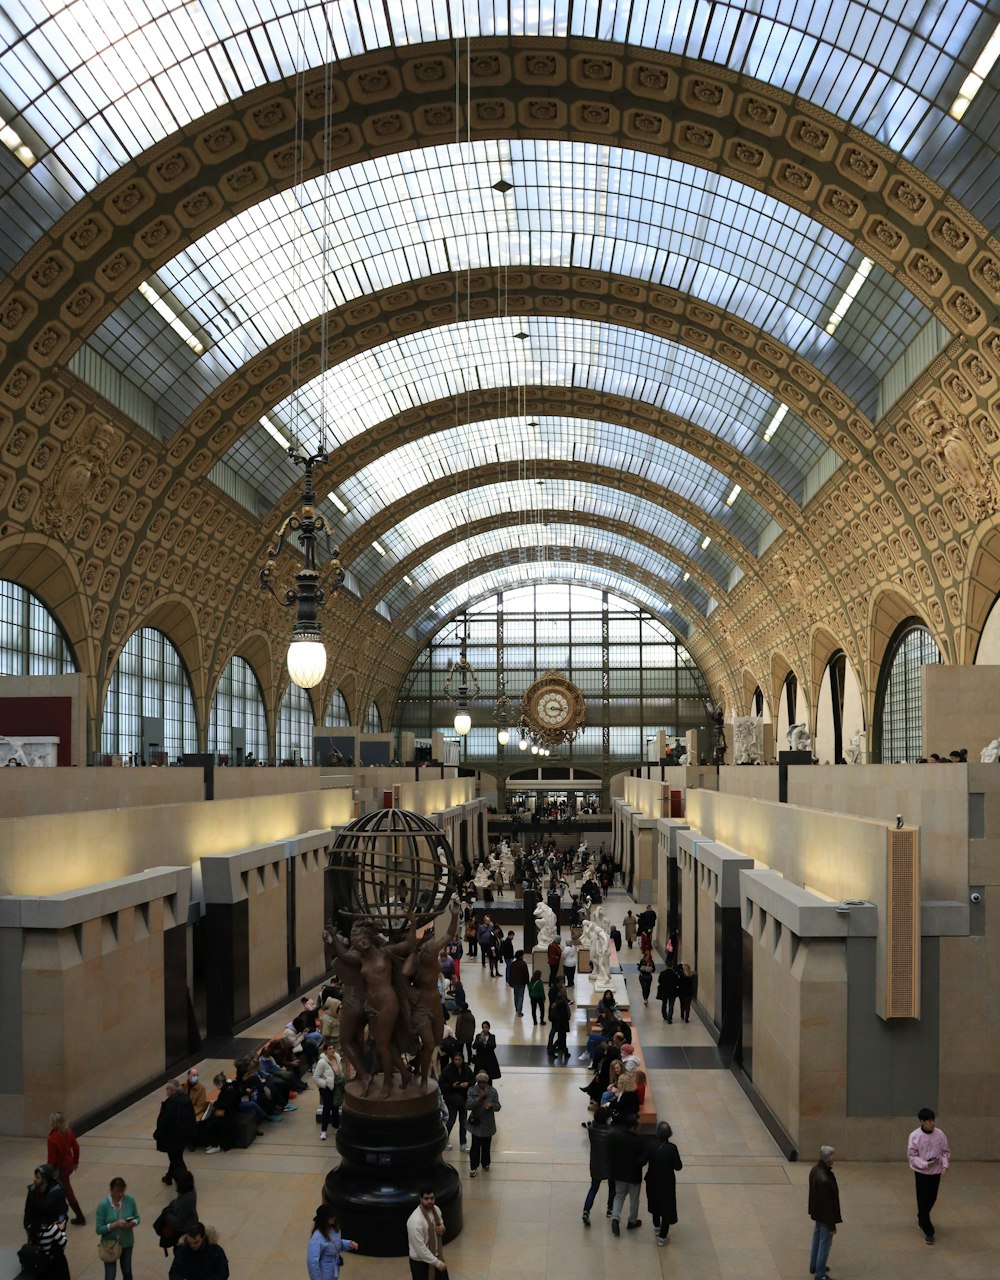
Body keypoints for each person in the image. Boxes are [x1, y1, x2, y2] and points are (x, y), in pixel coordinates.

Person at [908, 1108, 950, 1244]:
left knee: (932, 1197)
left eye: (933, 1120)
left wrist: (944, 1166)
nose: (932, 1123)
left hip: (936, 1172)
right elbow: (912, 1155)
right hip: (921, 1172)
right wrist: (925, 1164)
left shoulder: (940, 1134)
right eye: (929, 1121)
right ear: (922, 1122)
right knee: (922, 1200)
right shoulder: (915, 1136)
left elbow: (945, 1151)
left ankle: (922, 1217)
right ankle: (929, 1231)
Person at [607, 1115, 649, 1234]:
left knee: (619, 1196)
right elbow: (642, 1161)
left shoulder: (617, 1138)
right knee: (634, 1199)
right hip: (634, 1175)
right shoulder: (639, 1141)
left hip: (619, 1174)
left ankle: (615, 1218)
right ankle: (632, 1221)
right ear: (634, 1126)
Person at [645, 1121, 683, 1245]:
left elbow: (642, 1160)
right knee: (667, 1207)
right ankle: (662, 1237)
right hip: (667, 1182)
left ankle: (656, 1227)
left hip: (652, 1180)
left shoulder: (651, 1145)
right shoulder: (672, 1148)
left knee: (655, 1203)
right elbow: (678, 1166)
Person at [96, 1176, 140, 1280]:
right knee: (110, 1276)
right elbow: (98, 1229)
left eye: (122, 1191)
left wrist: (132, 1223)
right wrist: (114, 1225)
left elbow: (137, 1218)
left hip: (127, 1242)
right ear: (111, 1191)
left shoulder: (130, 1200)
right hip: (109, 1245)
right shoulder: (103, 1205)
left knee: (127, 1271)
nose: (120, 1194)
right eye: (117, 1191)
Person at [154, 1080, 197, 1185]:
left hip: (173, 1137)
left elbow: (165, 1121)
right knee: (176, 1157)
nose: (166, 1091)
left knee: (176, 1160)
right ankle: (169, 1177)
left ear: (172, 1090)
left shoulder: (172, 1103)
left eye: (167, 1088)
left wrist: (158, 1134)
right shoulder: (184, 1099)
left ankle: (186, 1181)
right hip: (182, 1135)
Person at [807, 1145, 841, 1280]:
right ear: (829, 1159)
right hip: (825, 1214)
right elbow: (828, 1205)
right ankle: (820, 1273)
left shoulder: (815, 1170)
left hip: (817, 1211)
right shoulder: (825, 1179)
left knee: (817, 1237)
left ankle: (814, 1264)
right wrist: (832, 1226)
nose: (835, 1159)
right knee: (825, 1242)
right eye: (833, 1156)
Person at [47, 1113, 85, 1225]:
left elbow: (52, 1159)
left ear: (54, 1123)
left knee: (66, 1193)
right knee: (63, 1190)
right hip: (69, 1165)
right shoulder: (68, 1132)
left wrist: (47, 1172)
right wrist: (75, 1162)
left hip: (60, 1168)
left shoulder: (52, 1138)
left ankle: (79, 1216)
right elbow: (76, 1147)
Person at [581, 1106, 616, 1226]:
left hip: (596, 1163)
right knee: (612, 1186)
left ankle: (586, 1210)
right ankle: (610, 1208)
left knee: (593, 1188)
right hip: (610, 1164)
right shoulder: (611, 1132)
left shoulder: (592, 1130)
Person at [306, 1203, 357, 1280]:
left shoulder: (335, 1230)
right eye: (330, 1216)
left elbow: (336, 1244)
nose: (333, 1217)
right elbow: (312, 1262)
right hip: (324, 1274)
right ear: (324, 1219)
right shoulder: (317, 1238)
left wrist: (349, 1244)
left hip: (333, 1270)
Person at [406, 1188, 448, 1278]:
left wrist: (442, 1229)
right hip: (420, 1262)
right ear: (420, 1199)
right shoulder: (415, 1221)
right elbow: (420, 1249)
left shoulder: (436, 1210)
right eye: (426, 1198)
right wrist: (438, 1263)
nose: (429, 1201)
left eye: (432, 1198)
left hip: (436, 1256)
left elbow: (441, 1223)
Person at [153, 1171, 197, 1256]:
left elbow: (178, 1223)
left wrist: (166, 1214)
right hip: (186, 1229)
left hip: (183, 1232)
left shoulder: (186, 1199)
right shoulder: (188, 1193)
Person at [466, 1071, 501, 1176]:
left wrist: (491, 1106)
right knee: (475, 1147)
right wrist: (479, 1098)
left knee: (486, 1146)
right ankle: (473, 1167)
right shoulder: (472, 1091)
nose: (482, 1084)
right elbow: (468, 1106)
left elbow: (498, 1106)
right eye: (480, 1082)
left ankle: (485, 1163)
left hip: (488, 1123)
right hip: (476, 1123)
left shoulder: (493, 1091)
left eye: (484, 1082)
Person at [440, 1052, 473, 1151]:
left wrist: (467, 1083)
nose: (457, 1062)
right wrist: (452, 1086)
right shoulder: (447, 1070)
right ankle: (444, 1140)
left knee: (463, 1122)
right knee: (451, 1120)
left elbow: (472, 1080)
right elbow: (442, 1084)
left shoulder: (466, 1069)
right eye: (455, 1059)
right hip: (452, 1099)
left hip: (463, 1098)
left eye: (459, 1060)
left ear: (462, 1060)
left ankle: (463, 1143)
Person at [313, 1043, 346, 1140]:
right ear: (325, 1051)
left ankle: (336, 1127)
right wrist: (325, 1084)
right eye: (329, 1048)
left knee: (335, 1107)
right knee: (327, 1108)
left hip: (336, 1087)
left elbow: (340, 1072)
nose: (332, 1050)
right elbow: (315, 1077)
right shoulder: (322, 1062)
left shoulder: (337, 1058)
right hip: (326, 1088)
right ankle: (323, 1131)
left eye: (333, 1048)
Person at [547, 982, 571, 1060]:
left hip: (560, 1022)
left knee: (562, 1037)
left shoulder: (559, 1001)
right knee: (561, 1038)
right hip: (562, 1023)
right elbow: (563, 1014)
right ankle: (552, 1050)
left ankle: (565, 1051)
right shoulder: (561, 1002)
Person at [508, 948, 530, 1017]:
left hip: (514, 982)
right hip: (521, 982)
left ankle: (516, 1008)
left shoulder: (513, 964)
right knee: (520, 996)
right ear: (521, 956)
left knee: (516, 996)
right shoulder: (523, 964)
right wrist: (527, 982)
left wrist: (510, 982)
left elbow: (510, 974)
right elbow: (526, 974)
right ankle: (519, 1010)